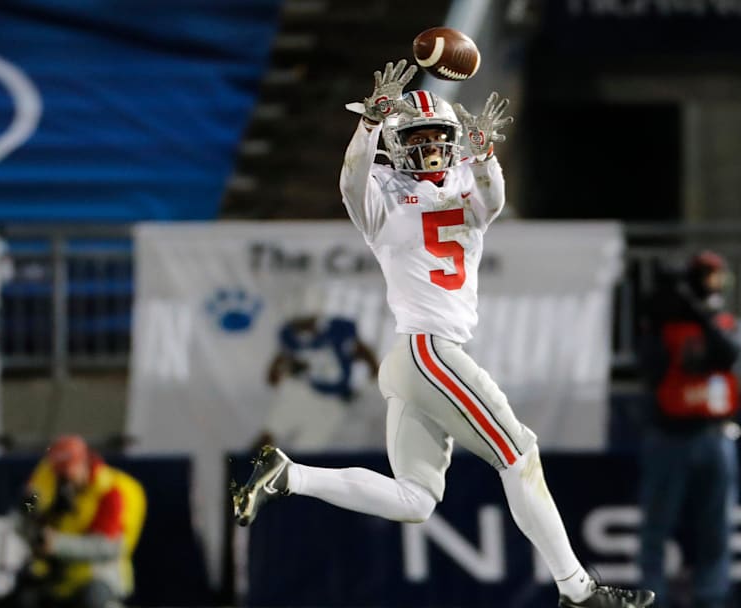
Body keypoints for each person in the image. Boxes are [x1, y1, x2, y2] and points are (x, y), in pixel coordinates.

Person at [231, 60, 655, 607]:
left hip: (417, 359)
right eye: (417, 137)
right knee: (519, 453)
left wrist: (484, 153)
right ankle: (579, 592)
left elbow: (492, 199)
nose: (430, 146)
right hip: (427, 350)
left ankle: (290, 476)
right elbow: (351, 182)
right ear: (396, 143)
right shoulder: (383, 198)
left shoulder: (464, 186)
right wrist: (369, 125)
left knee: (416, 500)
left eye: (438, 136)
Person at [636, 251, 740, 608]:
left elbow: (727, 354)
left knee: (716, 527)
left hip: (715, 434)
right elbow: (651, 368)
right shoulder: (664, 325)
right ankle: (652, 597)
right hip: (670, 436)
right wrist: (659, 317)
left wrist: (699, 315)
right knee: (656, 526)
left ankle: (712, 597)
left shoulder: (723, 323)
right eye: (708, 276)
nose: (715, 284)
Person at [2, 435, 146, 608]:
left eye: (68, 471)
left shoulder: (109, 492)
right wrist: (31, 514)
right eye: (60, 472)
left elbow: (108, 547)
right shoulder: (48, 479)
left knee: (93, 600)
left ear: (84, 463)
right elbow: (25, 512)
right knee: (23, 598)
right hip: (55, 574)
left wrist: (56, 544)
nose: (65, 479)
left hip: (96, 575)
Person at [254, 314, 380, 450]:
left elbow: (363, 352)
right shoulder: (297, 342)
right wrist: (276, 370)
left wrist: (373, 370)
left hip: (331, 404)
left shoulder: (338, 336)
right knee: (270, 435)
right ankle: (250, 462)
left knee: (307, 449)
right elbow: (282, 358)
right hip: (304, 393)